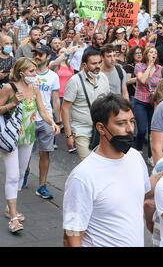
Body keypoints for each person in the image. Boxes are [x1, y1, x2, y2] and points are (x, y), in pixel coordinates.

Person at [63, 94, 152, 247]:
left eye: (132, 121)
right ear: (101, 128)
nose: (130, 129)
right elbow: (72, 236)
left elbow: (142, 194)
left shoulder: (136, 158)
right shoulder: (82, 176)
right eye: (121, 123)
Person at [0, 58, 59, 233]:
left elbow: (42, 109)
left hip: (28, 135)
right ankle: (13, 218)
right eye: (32, 71)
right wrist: (13, 103)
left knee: (20, 174)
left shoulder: (34, 88)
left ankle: (9, 207)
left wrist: (52, 122)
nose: (35, 74)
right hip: (11, 136)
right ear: (21, 73)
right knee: (12, 175)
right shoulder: (9, 87)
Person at [62, 50, 110, 160]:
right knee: (89, 164)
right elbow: (65, 108)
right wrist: (69, 135)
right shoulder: (74, 81)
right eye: (94, 63)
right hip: (81, 131)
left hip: (101, 131)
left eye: (99, 62)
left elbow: (107, 103)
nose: (97, 66)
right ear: (84, 65)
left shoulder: (103, 78)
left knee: (102, 164)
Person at [32, 47, 61, 199]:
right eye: (35, 54)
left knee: (45, 153)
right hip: (28, 119)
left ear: (48, 57)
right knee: (26, 153)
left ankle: (42, 186)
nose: (37, 57)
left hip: (46, 118)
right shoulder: (28, 72)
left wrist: (58, 119)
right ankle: (23, 173)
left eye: (40, 54)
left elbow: (55, 99)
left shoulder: (53, 76)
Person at [134, 47, 162, 159]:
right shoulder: (139, 66)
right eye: (151, 52)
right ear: (146, 54)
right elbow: (143, 80)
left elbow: (161, 84)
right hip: (140, 101)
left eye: (155, 52)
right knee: (141, 130)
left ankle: (151, 156)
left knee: (152, 130)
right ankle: (139, 149)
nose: (153, 54)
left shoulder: (159, 68)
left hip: (153, 103)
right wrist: (149, 66)